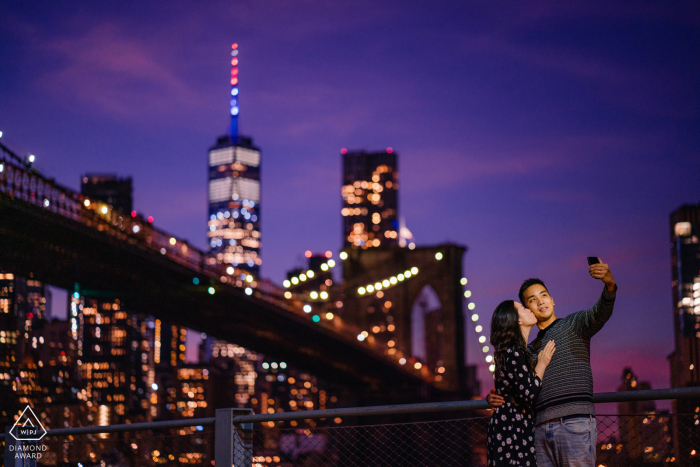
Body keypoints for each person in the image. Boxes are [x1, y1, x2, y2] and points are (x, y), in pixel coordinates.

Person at [487, 259, 617, 467]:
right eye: (532, 300)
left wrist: (609, 284)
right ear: (527, 310)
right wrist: (494, 396)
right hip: (538, 431)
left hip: (574, 423)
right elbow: (518, 387)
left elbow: (601, 312)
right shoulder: (526, 352)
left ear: (553, 300)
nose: (540, 302)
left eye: (544, 295)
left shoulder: (574, 325)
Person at [487, 299, 556, 466]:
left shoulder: (510, 351)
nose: (529, 309)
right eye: (523, 308)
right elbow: (527, 393)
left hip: (509, 425)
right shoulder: (515, 351)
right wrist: (542, 364)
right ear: (517, 319)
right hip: (513, 426)